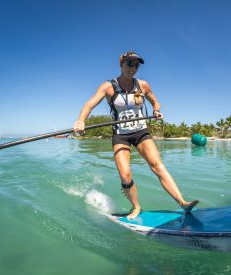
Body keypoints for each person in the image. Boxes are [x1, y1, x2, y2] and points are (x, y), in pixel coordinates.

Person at [73, 51, 198, 219]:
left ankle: (183, 203)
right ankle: (136, 207)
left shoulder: (143, 85)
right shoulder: (108, 87)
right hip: (121, 135)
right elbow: (89, 104)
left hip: (141, 132)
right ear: (121, 64)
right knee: (125, 175)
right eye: (129, 63)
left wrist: (156, 110)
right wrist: (81, 120)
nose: (133, 68)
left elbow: (155, 101)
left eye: (136, 65)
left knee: (157, 165)